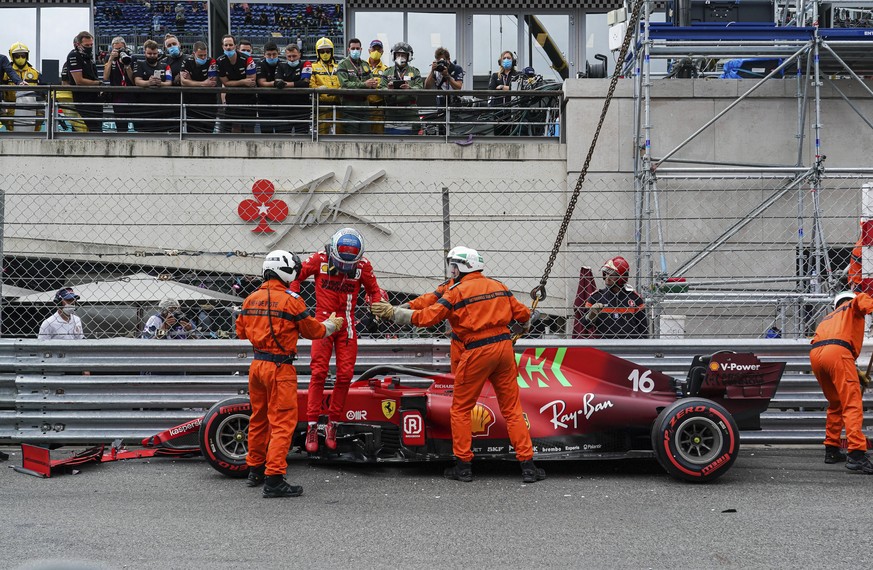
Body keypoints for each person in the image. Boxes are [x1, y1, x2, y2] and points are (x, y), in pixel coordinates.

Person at [371, 246, 545, 484]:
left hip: (476, 352)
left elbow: (428, 317)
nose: (451, 269)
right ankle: (528, 466)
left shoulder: (456, 292)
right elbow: (523, 314)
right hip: (504, 350)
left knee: (461, 409)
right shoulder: (498, 286)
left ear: (462, 266)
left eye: (453, 265)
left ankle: (463, 466)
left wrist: (394, 314)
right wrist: (521, 327)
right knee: (512, 410)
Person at [236, 250, 344, 498]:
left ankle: (255, 469)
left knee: (258, 418)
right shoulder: (291, 299)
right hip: (280, 368)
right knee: (283, 423)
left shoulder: (250, 299)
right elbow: (314, 331)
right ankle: (274, 479)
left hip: (257, 366)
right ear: (286, 270)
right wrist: (332, 325)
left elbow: (241, 332)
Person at [290, 228, 386, 452]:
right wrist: (296, 303)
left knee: (344, 375)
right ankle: (313, 425)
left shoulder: (363, 266)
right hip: (322, 322)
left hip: (348, 324)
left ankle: (333, 423)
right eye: (341, 262)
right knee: (319, 372)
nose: (344, 268)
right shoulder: (318, 258)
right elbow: (295, 278)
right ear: (332, 251)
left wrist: (378, 306)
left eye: (349, 264)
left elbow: (375, 291)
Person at [810, 291, 873, 473]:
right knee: (851, 404)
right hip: (838, 353)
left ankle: (831, 449)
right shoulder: (851, 306)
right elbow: (862, 300)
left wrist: (854, 372)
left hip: (816, 355)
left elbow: (832, 344)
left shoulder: (829, 317)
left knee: (836, 403)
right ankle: (856, 455)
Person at [584, 256, 648, 339]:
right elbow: (584, 326)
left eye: (612, 275)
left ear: (622, 278)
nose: (607, 278)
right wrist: (591, 315)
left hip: (630, 347)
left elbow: (643, 329)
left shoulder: (635, 298)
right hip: (603, 346)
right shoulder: (596, 297)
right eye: (606, 274)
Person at [336, 38, 379, 135]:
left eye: (357, 48)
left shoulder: (365, 64)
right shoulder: (343, 64)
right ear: (348, 50)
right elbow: (345, 84)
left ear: (361, 49)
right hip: (350, 106)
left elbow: (370, 80)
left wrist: (373, 84)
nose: (355, 50)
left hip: (365, 106)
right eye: (353, 48)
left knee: (366, 134)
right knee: (351, 135)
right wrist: (364, 84)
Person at [379, 41, 423, 135]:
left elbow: (419, 88)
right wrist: (388, 90)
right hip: (392, 113)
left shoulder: (415, 72)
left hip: (410, 113)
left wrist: (409, 89)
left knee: (413, 143)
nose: (400, 57)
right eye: (398, 54)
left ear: (408, 57)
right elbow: (381, 88)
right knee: (391, 143)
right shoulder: (387, 72)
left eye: (403, 55)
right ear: (394, 56)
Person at [217, 35, 257, 133]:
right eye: (226, 45)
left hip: (249, 98)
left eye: (231, 44)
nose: (228, 47)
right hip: (232, 98)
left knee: (249, 128)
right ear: (222, 47)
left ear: (235, 46)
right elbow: (225, 83)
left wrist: (232, 83)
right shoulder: (219, 61)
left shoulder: (248, 59)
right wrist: (242, 81)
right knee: (235, 127)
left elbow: (251, 82)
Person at [133, 39, 174, 133]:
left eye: (154, 54)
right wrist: (149, 83)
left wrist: (161, 84)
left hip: (162, 107)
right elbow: (137, 81)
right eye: (149, 53)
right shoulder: (139, 63)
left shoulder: (165, 66)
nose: (152, 56)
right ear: (145, 53)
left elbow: (169, 82)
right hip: (144, 106)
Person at [66, 31, 103, 132]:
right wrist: (98, 84)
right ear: (78, 44)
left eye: (91, 44)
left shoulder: (89, 56)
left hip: (95, 98)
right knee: (87, 129)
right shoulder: (74, 55)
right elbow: (79, 81)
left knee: (98, 129)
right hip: (83, 99)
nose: (90, 47)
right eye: (87, 45)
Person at [2, 42, 42, 132]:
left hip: (32, 107)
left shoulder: (35, 72)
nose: (20, 58)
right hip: (11, 106)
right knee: (12, 130)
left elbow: (44, 89)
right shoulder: (6, 73)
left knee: (35, 130)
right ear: (12, 56)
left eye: (23, 55)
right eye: (17, 56)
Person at [180, 41, 218, 133]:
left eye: (205, 55)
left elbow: (212, 82)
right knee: (192, 131)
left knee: (208, 131)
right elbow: (183, 82)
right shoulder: (187, 61)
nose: (203, 57)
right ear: (194, 54)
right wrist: (203, 83)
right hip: (191, 102)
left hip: (209, 102)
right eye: (200, 55)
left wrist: (191, 81)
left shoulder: (211, 61)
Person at [274, 43, 312, 134]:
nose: (292, 59)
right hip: (284, 107)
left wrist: (286, 83)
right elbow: (278, 83)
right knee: (282, 136)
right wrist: (296, 83)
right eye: (289, 56)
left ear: (299, 54)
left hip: (302, 107)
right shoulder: (280, 66)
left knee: (302, 136)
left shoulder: (306, 64)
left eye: (294, 56)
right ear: (285, 56)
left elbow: (305, 83)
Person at [309, 37, 341, 134]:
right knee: (322, 134)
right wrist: (318, 89)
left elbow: (343, 81)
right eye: (322, 51)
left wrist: (340, 89)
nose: (325, 54)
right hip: (321, 106)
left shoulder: (339, 66)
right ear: (318, 52)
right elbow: (311, 84)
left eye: (327, 51)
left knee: (340, 133)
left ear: (332, 51)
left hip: (338, 104)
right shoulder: (312, 67)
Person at [102, 36, 134, 133]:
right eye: (116, 49)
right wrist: (111, 59)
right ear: (112, 48)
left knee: (137, 122)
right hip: (118, 95)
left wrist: (127, 65)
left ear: (125, 47)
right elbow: (105, 77)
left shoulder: (131, 57)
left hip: (131, 93)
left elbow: (133, 79)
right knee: (121, 126)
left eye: (121, 49)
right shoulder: (109, 58)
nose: (119, 51)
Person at [256, 41, 287, 134]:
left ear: (278, 53)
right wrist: (275, 83)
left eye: (274, 54)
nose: (272, 57)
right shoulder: (260, 64)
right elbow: (261, 83)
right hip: (265, 103)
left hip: (281, 104)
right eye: (269, 55)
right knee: (266, 133)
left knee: (281, 133)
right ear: (264, 54)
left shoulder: (283, 64)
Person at [488, 50, 518, 136]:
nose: (506, 60)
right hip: (498, 113)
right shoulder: (495, 76)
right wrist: (509, 89)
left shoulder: (517, 75)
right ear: (500, 61)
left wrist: (501, 87)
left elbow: (517, 89)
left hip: (512, 113)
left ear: (513, 61)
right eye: (504, 58)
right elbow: (491, 90)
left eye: (508, 58)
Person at [366, 39, 386, 134]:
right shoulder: (361, 66)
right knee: (362, 135)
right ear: (369, 50)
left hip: (378, 108)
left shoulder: (386, 70)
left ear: (382, 52)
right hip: (363, 106)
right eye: (374, 49)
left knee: (378, 136)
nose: (376, 52)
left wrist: (378, 86)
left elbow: (386, 87)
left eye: (379, 50)